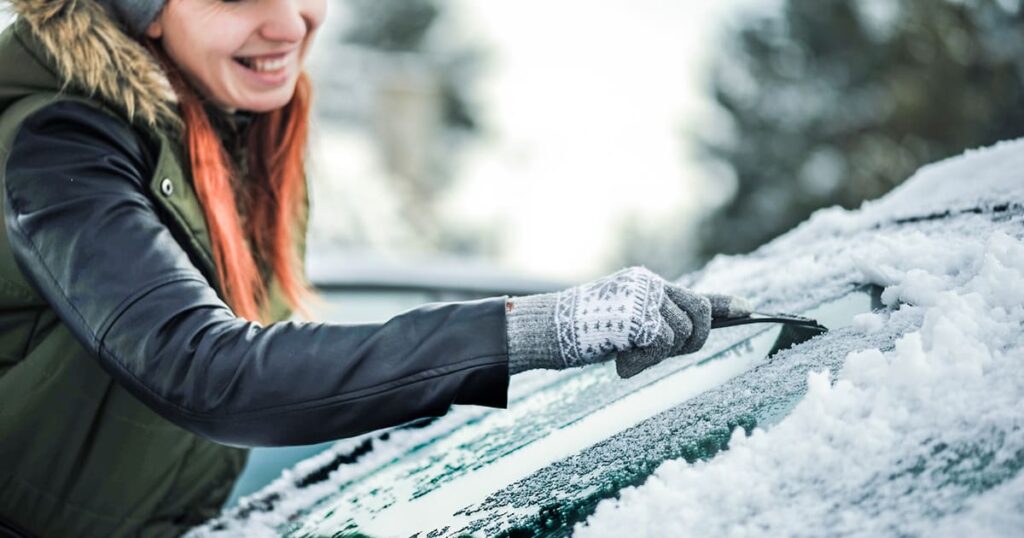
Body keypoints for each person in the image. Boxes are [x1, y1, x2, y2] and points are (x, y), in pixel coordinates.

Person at [0, 1, 749, 536]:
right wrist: (536, 330)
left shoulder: (234, 129)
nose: (289, 23)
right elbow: (205, 370)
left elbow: (282, 369)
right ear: (146, 12)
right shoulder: (58, 144)